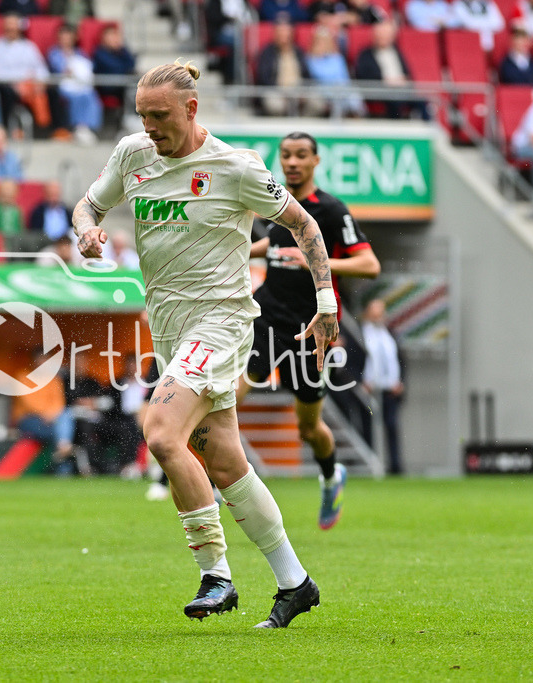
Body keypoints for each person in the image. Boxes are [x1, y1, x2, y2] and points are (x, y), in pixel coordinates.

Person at [73, 61, 336, 627]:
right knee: (225, 464)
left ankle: (216, 574)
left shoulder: (236, 168)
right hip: (168, 326)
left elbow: (305, 226)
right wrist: (86, 231)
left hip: (221, 322)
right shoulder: (132, 155)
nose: (150, 128)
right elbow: (90, 204)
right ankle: (295, 582)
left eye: (161, 116)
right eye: (143, 116)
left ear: (191, 110)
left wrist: (326, 301)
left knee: (163, 434)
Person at [239, 131, 379, 524]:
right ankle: (221, 483)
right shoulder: (278, 201)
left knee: (309, 427)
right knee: (231, 398)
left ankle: (332, 473)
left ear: (316, 161)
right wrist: (238, 251)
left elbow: (369, 265)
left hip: (310, 325)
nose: (293, 162)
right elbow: (276, 244)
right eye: (286, 155)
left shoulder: (332, 211)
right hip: (267, 315)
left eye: (301, 155)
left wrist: (317, 262)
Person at [359, 299, 404, 474]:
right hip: (369, 389)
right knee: (368, 427)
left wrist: (400, 382)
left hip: (390, 390)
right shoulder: (362, 333)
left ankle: (395, 466)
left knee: (391, 426)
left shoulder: (390, 333)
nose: (378, 317)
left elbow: (400, 359)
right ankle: (370, 465)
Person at [47, 23, 103, 144]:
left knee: (90, 95)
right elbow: (57, 68)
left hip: (80, 84)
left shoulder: (80, 53)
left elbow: (87, 68)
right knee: (76, 97)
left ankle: (86, 127)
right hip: (63, 85)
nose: (66, 40)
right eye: (63, 37)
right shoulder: (54, 52)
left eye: (68, 37)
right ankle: (77, 126)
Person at [256, 19, 309, 117]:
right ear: (275, 35)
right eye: (281, 34)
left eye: (287, 35)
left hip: (299, 90)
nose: (284, 38)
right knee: (275, 105)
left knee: (316, 102)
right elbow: (264, 78)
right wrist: (282, 92)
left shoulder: (299, 52)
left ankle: (304, 127)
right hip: (276, 91)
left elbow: (307, 74)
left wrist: (304, 90)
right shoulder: (267, 53)